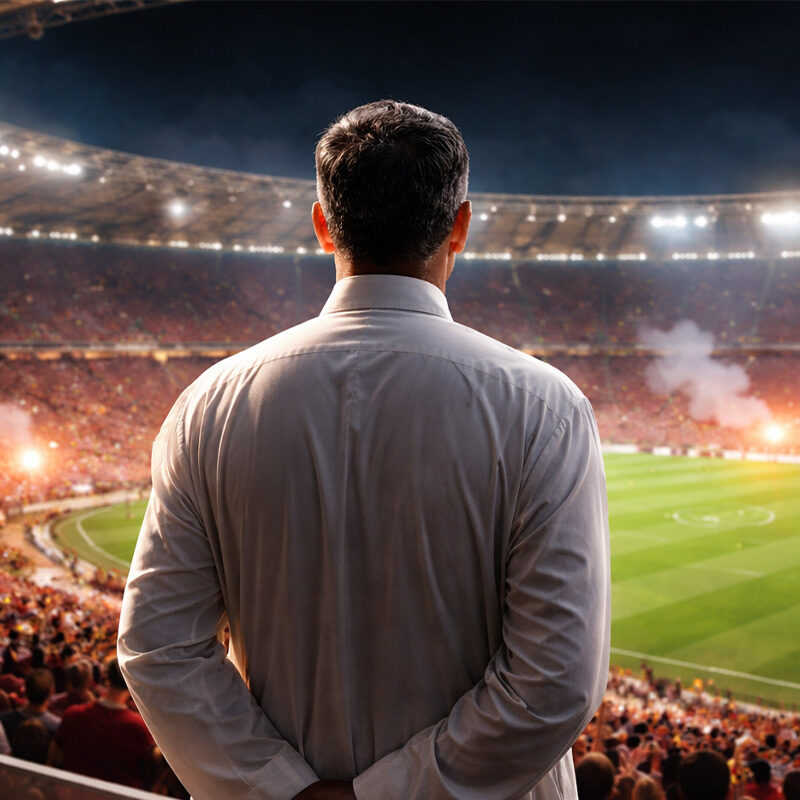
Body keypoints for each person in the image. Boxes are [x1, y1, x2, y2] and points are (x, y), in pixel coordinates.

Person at [118, 99, 610, 800]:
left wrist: (286, 790)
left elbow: (158, 650)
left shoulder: (210, 402)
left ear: (322, 225)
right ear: (461, 227)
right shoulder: (544, 406)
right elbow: (556, 681)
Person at [48, 658, 158, 790]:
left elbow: (54, 758)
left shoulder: (73, 715)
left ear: (106, 678)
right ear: (134, 681)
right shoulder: (140, 728)